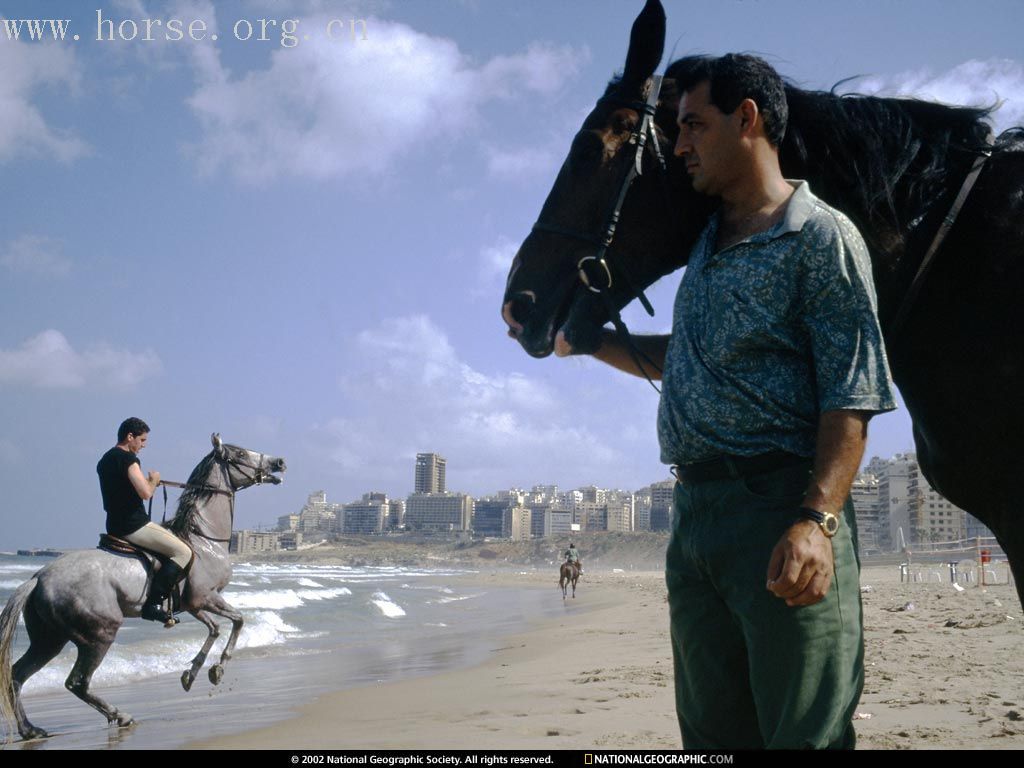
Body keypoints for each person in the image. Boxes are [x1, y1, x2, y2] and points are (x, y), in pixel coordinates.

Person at [559, 55, 897, 749]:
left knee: (801, 737)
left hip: (779, 511)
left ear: (747, 120)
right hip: (696, 525)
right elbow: (680, 354)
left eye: (692, 127)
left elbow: (852, 396)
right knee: (712, 738)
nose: (679, 145)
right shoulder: (709, 243)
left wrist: (816, 521)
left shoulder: (820, 238)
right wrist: (590, 343)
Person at [97, 417, 193, 624]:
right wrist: (154, 480)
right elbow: (145, 493)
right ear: (129, 436)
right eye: (141, 440)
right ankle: (154, 605)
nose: (143, 445)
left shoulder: (104, 460)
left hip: (113, 523)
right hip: (134, 525)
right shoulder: (129, 459)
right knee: (183, 552)